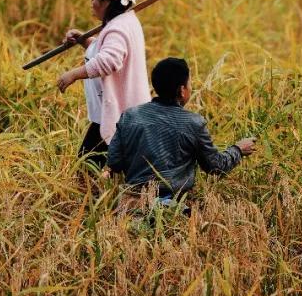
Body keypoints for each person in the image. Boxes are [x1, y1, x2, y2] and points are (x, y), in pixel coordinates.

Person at [105, 57, 256, 211]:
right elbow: (215, 166)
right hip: (173, 209)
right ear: (182, 90)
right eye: (189, 84)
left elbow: (115, 162)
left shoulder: (130, 115)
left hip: (132, 204)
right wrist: (238, 150)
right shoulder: (193, 123)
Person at [56, 0, 151, 169]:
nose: (91, 4)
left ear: (107, 2)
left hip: (119, 113)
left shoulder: (118, 28)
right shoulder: (124, 22)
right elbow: (107, 50)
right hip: (120, 111)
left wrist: (74, 74)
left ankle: (94, 197)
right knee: (99, 163)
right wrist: (85, 41)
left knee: (88, 165)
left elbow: (109, 60)